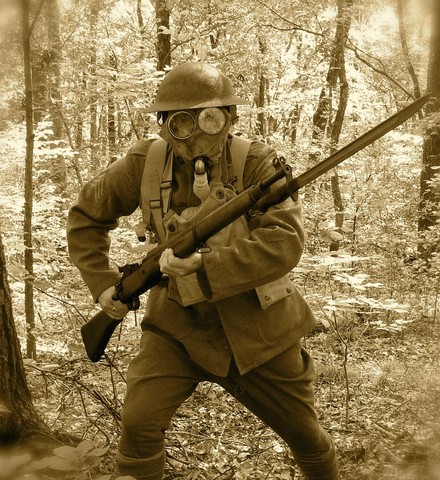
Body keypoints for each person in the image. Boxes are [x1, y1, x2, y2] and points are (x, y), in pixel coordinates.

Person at [67, 62, 339, 480]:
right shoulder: (143, 162)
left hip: (260, 326)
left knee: (306, 436)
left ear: (230, 118)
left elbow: (285, 243)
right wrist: (103, 284)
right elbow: (86, 216)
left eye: (209, 119)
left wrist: (205, 266)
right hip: (177, 324)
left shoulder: (259, 164)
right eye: (181, 122)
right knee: (138, 424)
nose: (196, 134)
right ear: (163, 126)